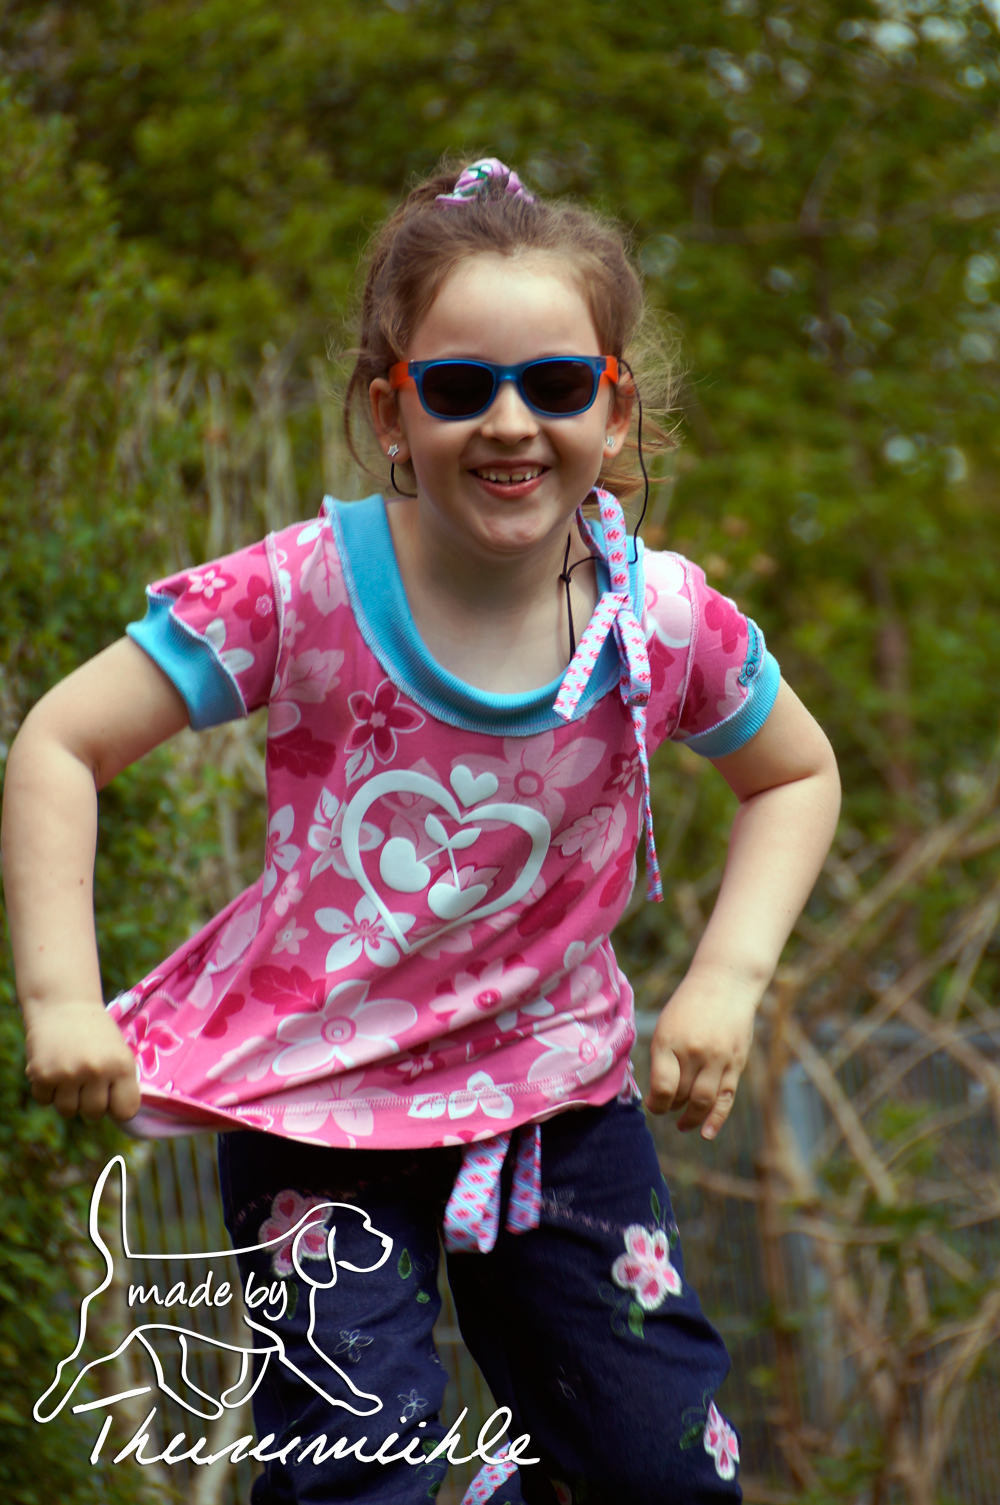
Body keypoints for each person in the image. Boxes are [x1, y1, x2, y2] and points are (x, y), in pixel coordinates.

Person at [2, 157, 840, 1505]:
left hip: (557, 1099)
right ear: (393, 412)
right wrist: (61, 1001)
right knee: (355, 1475)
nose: (510, 422)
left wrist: (726, 983)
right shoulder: (306, 590)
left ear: (616, 409)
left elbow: (793, 775)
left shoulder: (661, 618)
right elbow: (60, 742)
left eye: (556, 384)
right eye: (459, 388)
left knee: (663, 1476)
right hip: (316, 1104)